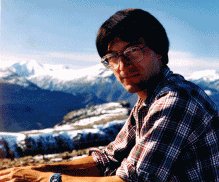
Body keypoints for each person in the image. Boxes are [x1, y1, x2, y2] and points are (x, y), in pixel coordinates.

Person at [0, 8, 218, 182]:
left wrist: (46, 179)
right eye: (113, 57)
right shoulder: (148, 100)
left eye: (133, 51)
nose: (123, 65)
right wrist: (32, 170)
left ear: (159, 52)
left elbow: (131, 181)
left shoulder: (175, 100)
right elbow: (109, 157)